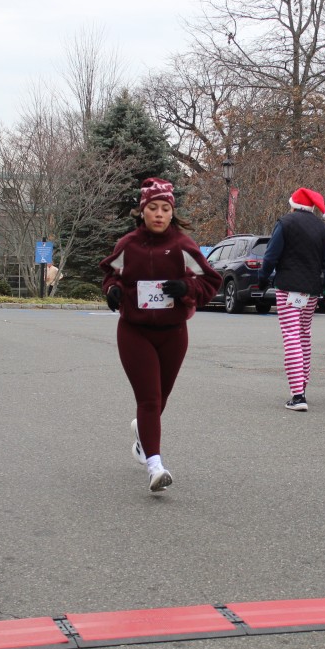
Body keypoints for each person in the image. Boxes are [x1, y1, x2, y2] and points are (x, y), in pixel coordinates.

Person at [100, 177, 221, 493]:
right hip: (134, 332)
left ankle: (143, 437)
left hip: (173, 333)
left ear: (172, 212)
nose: (159, 214)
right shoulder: (128, 245)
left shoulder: (183, 246)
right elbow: (111, 276)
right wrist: (112, 291)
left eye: (165, 209)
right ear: (142, 211)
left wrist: (186, 287)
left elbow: (210, 281)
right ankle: (155, 466)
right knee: (150, 400)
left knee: (160, 397)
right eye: (153, 208)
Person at [258, 187, 325, 412]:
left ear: (293, 205)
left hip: (288, 288)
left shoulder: (285, 223)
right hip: (311, 289)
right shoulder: (323, 228)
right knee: (303, 335)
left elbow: (271, 256)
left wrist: (263, 278)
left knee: (291, 335)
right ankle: (302, 387)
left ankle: (297, 395)